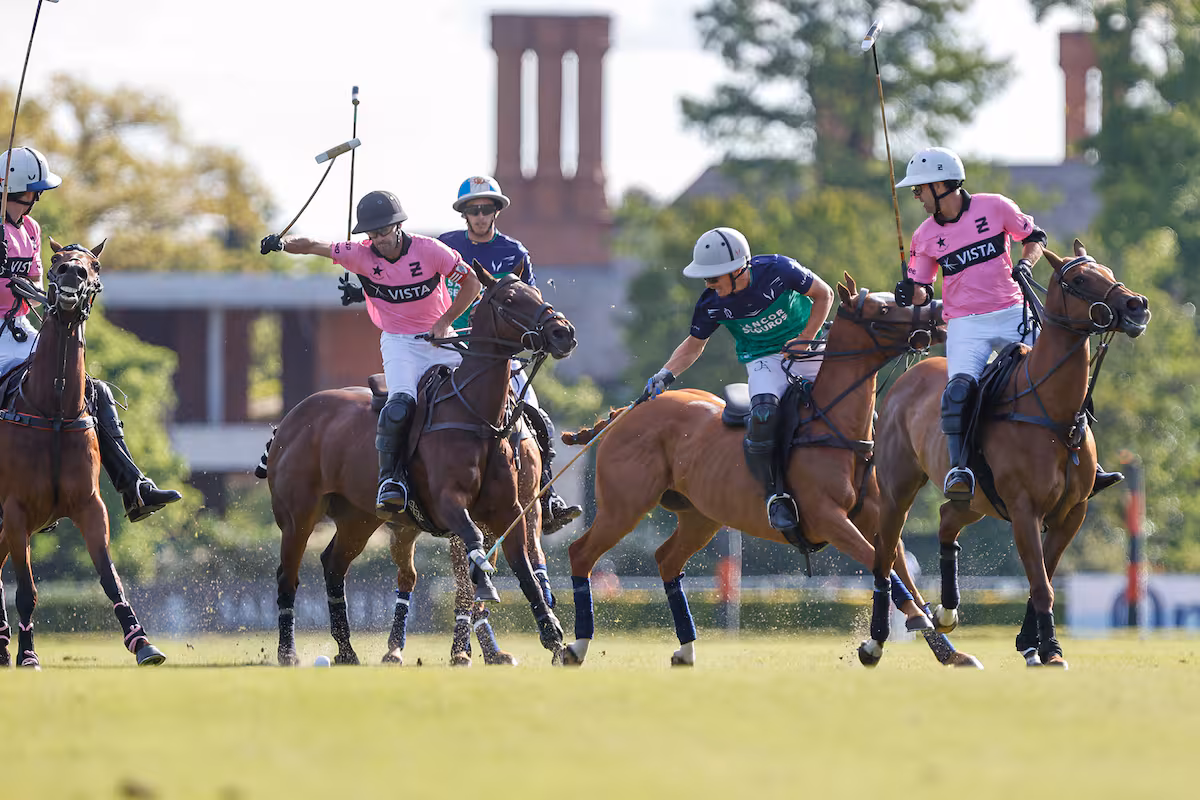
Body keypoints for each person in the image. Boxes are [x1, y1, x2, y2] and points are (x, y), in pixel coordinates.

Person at [259, 190, 501, 597]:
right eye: (372, 234)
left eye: (385, 231)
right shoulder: (360, 254)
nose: (380, 240)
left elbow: (472, 283)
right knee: (401, 403)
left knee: (485, 395)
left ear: (399, 226)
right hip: (401, 343)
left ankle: (508, 474)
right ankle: (392, 481)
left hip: (441, 337)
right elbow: (316, 246)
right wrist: (282, 243)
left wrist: (445, 321)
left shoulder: (431, 251)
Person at [893, 145, 1123, 501]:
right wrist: (911, 293)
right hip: (967, 324)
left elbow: (1034, 237)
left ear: (942, 186)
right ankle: (960, 470)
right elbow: (923, 290)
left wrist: (1027, 263)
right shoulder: (924, 236)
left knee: (1068, 373)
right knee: (956, 394)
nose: (917, 196)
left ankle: (1088, 463)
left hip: (1013, 312)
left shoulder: (994, 206)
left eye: (919, 189)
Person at [0, 146, 182, 522]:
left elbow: (36, 278)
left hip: (22, 327)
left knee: (90, 389)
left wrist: (21, 281)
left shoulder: (32, 230)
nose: (38, 196)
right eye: (35, 189)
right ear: (19, 187)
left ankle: (134, 487)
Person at [643, 227, 834, 531]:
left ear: (737, 269)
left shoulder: (779, 269)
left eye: (713, 279)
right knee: (762, 415)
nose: (709, 286)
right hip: (763, 360)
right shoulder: (712, 304)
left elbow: (824, 294)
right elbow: (694, 345)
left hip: (807, 345)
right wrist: (665, 375)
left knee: (852, 397)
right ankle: (776, 496)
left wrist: (805, 337)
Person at [437, 175, 582, 535]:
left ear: (496, 211)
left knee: (539, 420)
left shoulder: (515, 252)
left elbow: (529, 303)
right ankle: (401, 483)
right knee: (411, 405)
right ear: (464, 214)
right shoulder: (445, 247)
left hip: (500, 355)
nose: (481, 216)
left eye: (487, 209)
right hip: (453, 346)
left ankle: (547, 500)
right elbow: (413, 284)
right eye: (474, 210)